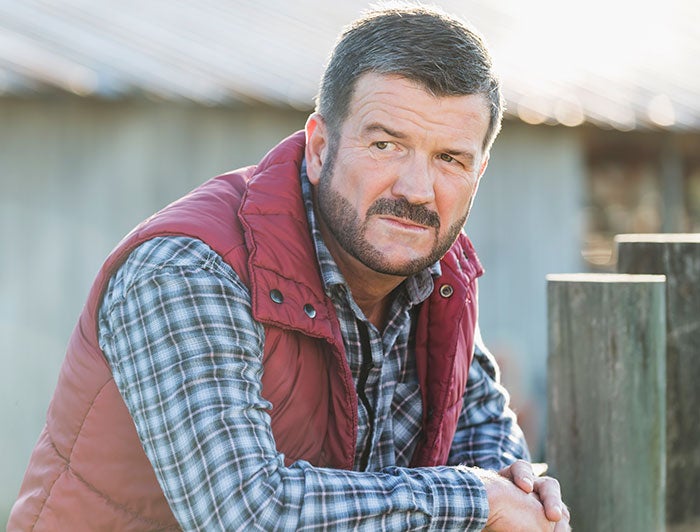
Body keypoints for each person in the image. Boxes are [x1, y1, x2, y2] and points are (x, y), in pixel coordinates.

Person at [9, 5, 569, 531]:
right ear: (320, 147)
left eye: (450, 159)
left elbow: (484, 444)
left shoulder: (433, 274)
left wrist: (512, 492)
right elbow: (246, 513)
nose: (417, 190)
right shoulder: (186, 269)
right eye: (386, 145)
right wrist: (478, 500)